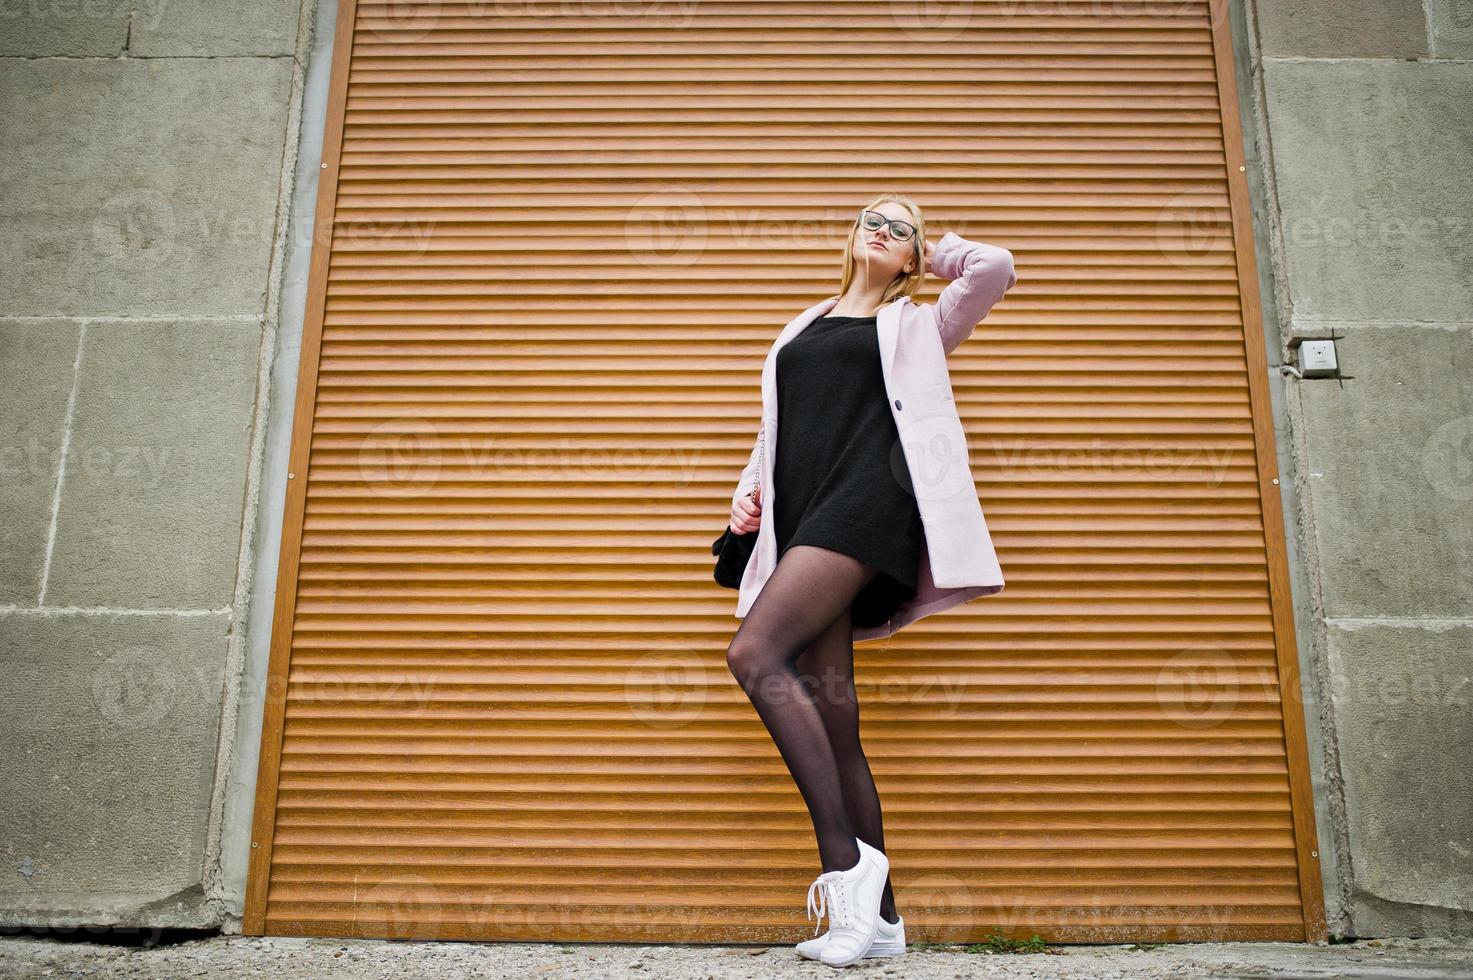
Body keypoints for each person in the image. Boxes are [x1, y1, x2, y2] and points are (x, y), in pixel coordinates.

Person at [722, 193, 1016, 967]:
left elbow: (995, 267)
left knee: (753, 657)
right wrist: (747, 486)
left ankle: (848, 867)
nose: (880, 233)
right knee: (833, 714)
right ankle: (881, 924)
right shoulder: (802, 325)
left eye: (899, 230)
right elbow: (778, 424)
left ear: (913, 256)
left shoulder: (920, 322)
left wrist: (933, 246)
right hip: (803, 511)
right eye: (870, 222)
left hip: (866, 507)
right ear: (847, 239)